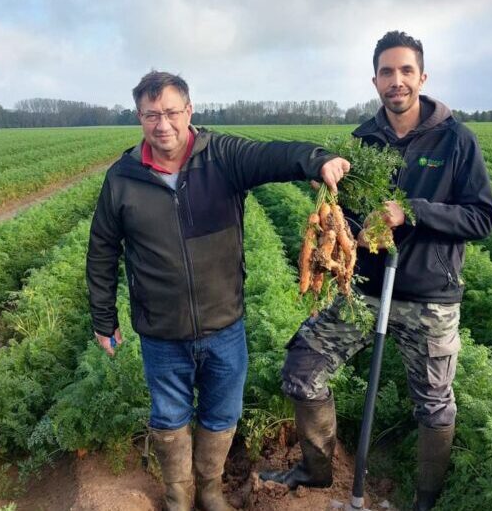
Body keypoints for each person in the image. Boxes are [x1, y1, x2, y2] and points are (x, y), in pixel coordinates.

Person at [86, 71, 350, 511]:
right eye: (151, 115)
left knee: (222, 413)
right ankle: (178, 496)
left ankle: (209, 490)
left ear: (189, 111)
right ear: (139, 118)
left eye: (171, 112)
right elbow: (101, 251)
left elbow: (271, 156)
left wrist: (317, 160)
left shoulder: (221, 156)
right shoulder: (123, 177)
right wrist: (103, 318)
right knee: (169, 417)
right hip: (160, 330)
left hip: (223, 323)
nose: (162, 124)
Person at [261, 31, 492, 511]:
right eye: (387, 72)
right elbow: (349, 215)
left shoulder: (456, 141)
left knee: (433, 404)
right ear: (375, 80)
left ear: (422, 77)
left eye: (406, 70)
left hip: (431, 295)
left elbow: (481, 217)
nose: (397, 81)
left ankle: (424, 501)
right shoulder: (362, 142)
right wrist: (333, 214)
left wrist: (411, 210)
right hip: (364, 287)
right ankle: (317, 471)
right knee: (302, 368)